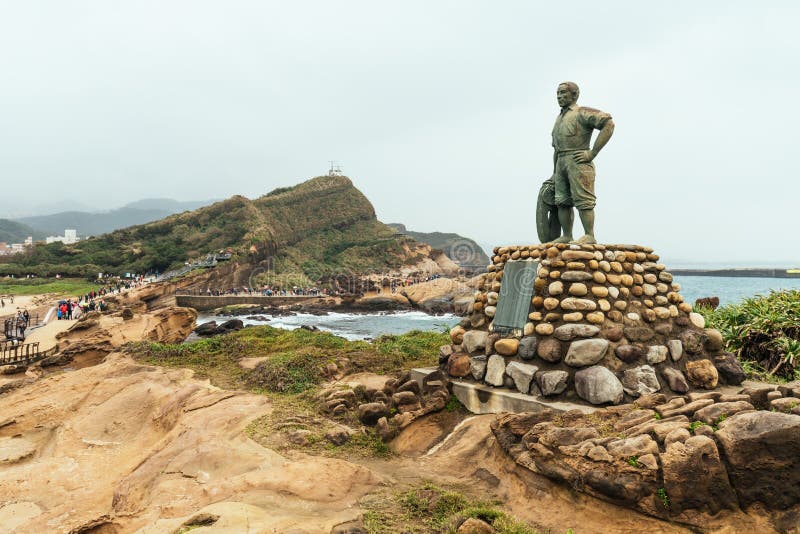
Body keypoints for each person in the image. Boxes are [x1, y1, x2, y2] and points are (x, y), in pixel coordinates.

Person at [546, 81, 614, 244]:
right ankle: (567, 235)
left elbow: (608, 123)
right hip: (561, 161)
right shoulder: (559, 118)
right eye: (558, 94)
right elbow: (556, 148)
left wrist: (592, 153)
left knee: (583, 200)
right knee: (562, 201)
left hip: (578, 161)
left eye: (563, 93)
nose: (559, 97)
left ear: (574, 95)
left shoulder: (581, 112)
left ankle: (589, 234)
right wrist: (555, 172)